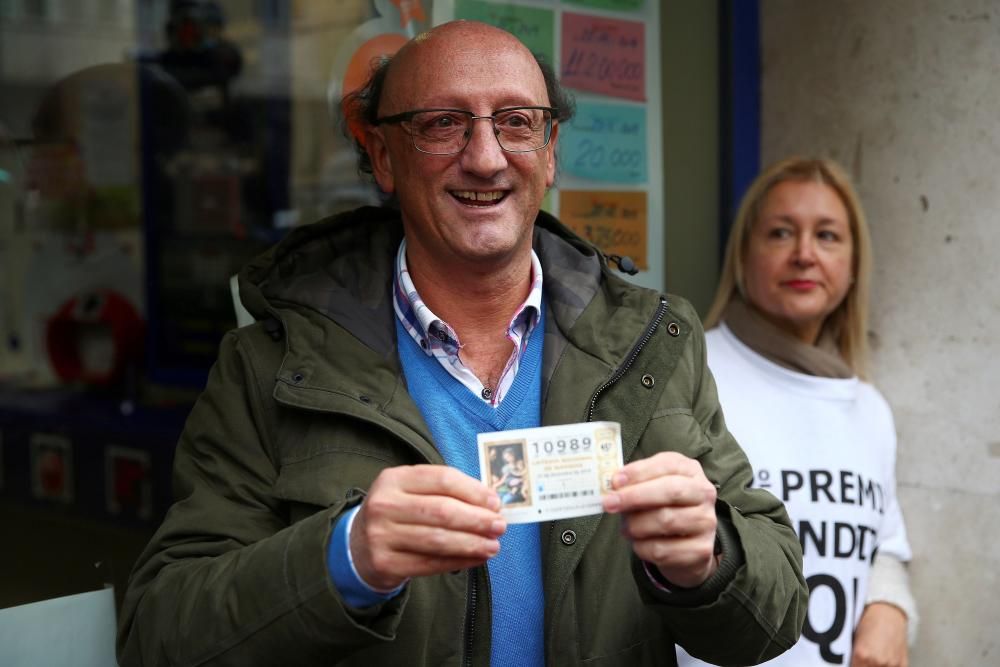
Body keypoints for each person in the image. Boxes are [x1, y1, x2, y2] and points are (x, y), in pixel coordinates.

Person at [117, 21, 807, 666]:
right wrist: (343, 558)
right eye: (442, 124)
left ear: (550, 152)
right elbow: (160, 630)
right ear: (383, 155)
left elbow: (775, 615)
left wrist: (709, 559)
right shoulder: (271, 362)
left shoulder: (655, 342)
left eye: (516, 123)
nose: (485, 157)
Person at [678, 157, 918, 667]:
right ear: (744, 257)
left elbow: (884, 547)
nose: (805, 255)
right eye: (782, 233)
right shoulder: (689, 372)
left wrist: (890, 608)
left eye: (828, 236)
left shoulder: (869, 408)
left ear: (853, 268)